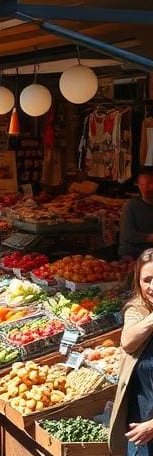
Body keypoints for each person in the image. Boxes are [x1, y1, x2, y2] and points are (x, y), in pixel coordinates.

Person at [111, 249, 153, 456]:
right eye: (147, 280)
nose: (152, 287)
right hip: (140, 418)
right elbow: (127, 342)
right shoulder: (138, 309)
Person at [120, 168, 153, 259]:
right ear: (138, 185)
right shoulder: (130, 206)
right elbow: (128, 235)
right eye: (142, 184)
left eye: (150, 184)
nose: (146, 188)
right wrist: (150, 237)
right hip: (133, 252)